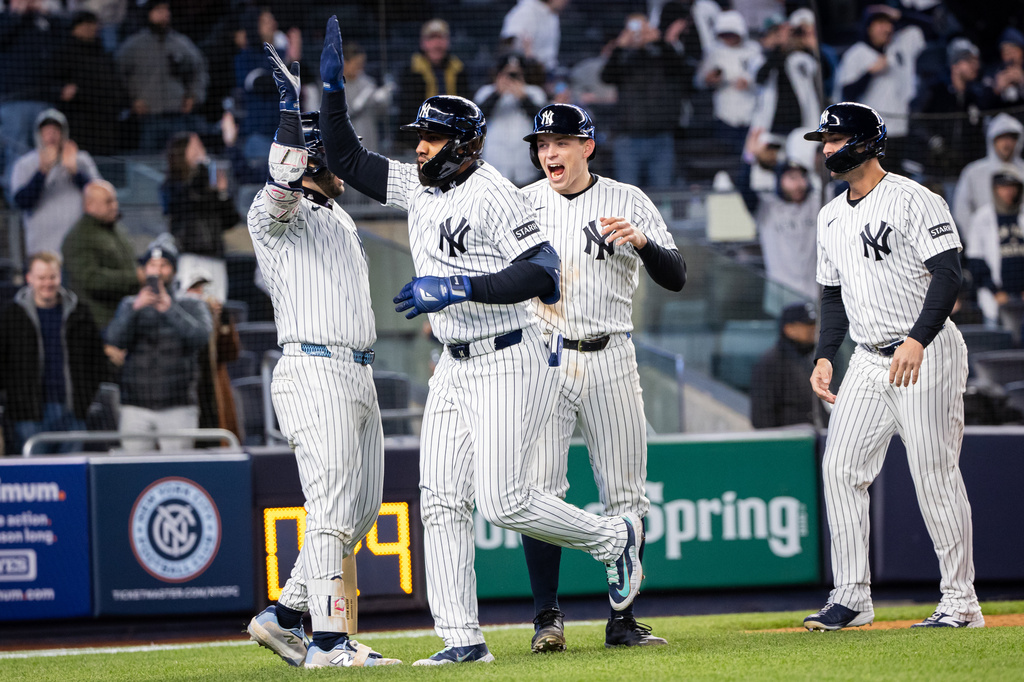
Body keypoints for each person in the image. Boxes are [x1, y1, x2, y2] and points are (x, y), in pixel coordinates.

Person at [316, 16, 644, 665]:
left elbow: (544, 274)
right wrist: (328, 93)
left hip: (507, 355)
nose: (420, 147)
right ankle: (462, 640)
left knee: (504, 501)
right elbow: (347, 159)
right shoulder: (416, 184)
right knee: (438, 500)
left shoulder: (496, 193)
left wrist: (458, 288)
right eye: (419, 136)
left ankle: (612, 539)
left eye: (433, 137)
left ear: (464, 143)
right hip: (453, 365)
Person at [244, 46, 400, 670]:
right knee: (333, 503)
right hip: (313, 370)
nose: (344, 162)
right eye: (332, 154)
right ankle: (330, 644)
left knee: (360, 509)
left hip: (357, 370)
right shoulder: (272, 214)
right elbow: (281, 184)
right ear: (312, 158)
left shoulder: (336, 214)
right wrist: (289, 110)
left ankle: (283, 616)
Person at [802, 102, 983, 631]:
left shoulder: (914, 199)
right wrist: (823, 356)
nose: (828, 149)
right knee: (840, 470)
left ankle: (960, 602)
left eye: (835, 140)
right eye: (825, 142)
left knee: (933, 474)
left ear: (865, 142)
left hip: (926, 353)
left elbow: (949, 276)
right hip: (865, 357)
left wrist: (917, 338)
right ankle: (852, 597)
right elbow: (832, 297)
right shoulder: (829, 214)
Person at [518, 103, 686, 652]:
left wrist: (641, 242)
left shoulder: (627, 199)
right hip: (544, 354)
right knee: (540, 490)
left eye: (560, 143)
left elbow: (676, 275)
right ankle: (547, 617)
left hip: (611, 354)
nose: (549, 153)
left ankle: (623, 620)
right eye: (542, 145)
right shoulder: (523, 202)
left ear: (587, 146)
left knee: (626, 492)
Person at [106, 238, 212, 452]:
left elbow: (201, 338)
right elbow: (115, 339)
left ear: (173, 270)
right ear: (144, 270)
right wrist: (135, 310)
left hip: (178, 405)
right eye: (152, 266)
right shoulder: (129, 304)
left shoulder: (191, 303)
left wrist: (169, 309)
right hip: (135, 405)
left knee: (178, 474)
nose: (157, 271)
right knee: (134, 475)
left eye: (164, 265)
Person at [0, 252, 105, 455]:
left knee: (73, 479)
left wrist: (84, 399)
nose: (47, 283)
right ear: (29, 278)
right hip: (28, 415)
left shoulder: (80, 313)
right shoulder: (11, 316)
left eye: (52, 277)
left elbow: (97, 361)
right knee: (35, 479)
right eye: (41, 278)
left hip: (73, 412)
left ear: (60, 277)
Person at [600, 12, 688, 190]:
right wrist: (620, 47)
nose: (638, 33)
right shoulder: (622, 57)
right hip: (628, 139)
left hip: (661, 138)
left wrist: (660, 41)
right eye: (633, 28)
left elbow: (681, 70)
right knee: (627, 200)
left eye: (642, 27)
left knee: (663, 196)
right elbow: (606, 76)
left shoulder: (661, 55)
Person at [833, 5, 924, 174]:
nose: (886, 28)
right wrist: (869, 73)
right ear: (869, 28)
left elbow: (930, 27)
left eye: (889, 23)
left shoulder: (898, 49)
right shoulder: (857, 54)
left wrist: (901, 14)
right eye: (880, 23)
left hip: (900, 131)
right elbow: (846, 96)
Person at [737, 129, 820, 302]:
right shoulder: (767, 208)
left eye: (801, 177)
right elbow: (744, 187)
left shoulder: (817, 203)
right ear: (780, 180)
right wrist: (749, 157)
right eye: (791, 177)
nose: (799, 184)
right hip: (781, 296)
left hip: (814, 294)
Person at [116, 0, 209, 151]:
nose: (164, 14)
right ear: (148, 14)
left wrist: (194, 96)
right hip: (148, 118)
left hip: (177, 116)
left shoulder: (181, 43)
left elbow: (199, 70)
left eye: (166, 10)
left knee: (180, 159)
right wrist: (130, 101)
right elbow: (117, 76)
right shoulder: (133, 46)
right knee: (148, 164)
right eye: (159, 10)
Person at [9, 109, 101, 256]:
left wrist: (75, 172)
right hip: (42, 248)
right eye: (46, 131)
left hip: (78, 245)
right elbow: (21, 202)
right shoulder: (24, 164)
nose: (51, 136)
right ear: (38, 135)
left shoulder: (81, 159)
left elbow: (100, 197)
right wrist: (42, 172)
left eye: (55, 130)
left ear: (64, 133)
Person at [161, 130, 240, 300]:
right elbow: (190, 199)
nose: (200, 149)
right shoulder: (172, 185)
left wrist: (223, 194)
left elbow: (231, 220)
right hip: (191, 258)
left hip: (216, 258)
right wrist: (202, 166)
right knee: (192, 307)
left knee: (217, 307)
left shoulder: (207, 185)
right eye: (195, 146)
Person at [61, 180, 142, 331]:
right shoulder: (79, 237)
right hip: (99, 322)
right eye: (108, 201)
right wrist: (135, 278)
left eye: (115, 200)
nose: (115, 205)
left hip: (125, 315)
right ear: (89, 205)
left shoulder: (117, 229)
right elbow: (92, 280)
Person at [52, 10, 128, 156]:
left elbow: (116, 83)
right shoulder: (63, 52)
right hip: (79, 123)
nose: (91, 28)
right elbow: (52, 84)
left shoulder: (102, 53)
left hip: (105, 122)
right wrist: (61, 90)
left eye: (94, 24)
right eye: (86, 24)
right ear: (75, 27)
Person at [473, 53, 547, 187]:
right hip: (494, 166)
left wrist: (523, 97)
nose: (511, 79)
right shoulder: (486, 92)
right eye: (508, 74)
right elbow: (477, 119)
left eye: (516, 74)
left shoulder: (534, 93)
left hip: (525, 166)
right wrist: (497, 93)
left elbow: (542, 122)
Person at [952, 113, 1024, 244]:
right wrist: (974, 239)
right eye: (1001, 137)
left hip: (1018, 241)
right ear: (992, 140)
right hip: (983, 240)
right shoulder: (973, 171)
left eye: (1011, 138)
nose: (1006, 143)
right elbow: (961, 210)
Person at [964, 169, 1024, 323]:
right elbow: (975, 259)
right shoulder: (982, 217)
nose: (1009, 191)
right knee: (998, 340)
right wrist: (995, 292)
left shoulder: (1022, 214)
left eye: (1013, 187)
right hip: (996, 297)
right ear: (995, 189)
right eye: (1004, 187)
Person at [750, 301, 820, 429]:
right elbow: (762, 418)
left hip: (820, 441)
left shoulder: (815, 358)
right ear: (789, 329)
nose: (814, 329)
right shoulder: (771, 363)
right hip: (792, 444)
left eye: (815, 324)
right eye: (808, 325)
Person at [397, 19, 468, 134]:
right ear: (422, 43)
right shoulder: (411, 71)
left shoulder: (459, 70)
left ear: (448, 41)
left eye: (441, 38)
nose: (437, 44)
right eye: (431, 38)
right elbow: (407, 112)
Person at [500, 0, 570, 74]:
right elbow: (508, 42)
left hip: (548, 71)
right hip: (528, 73)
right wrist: (529, 58)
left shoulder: (553, 15)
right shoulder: (525, 11)